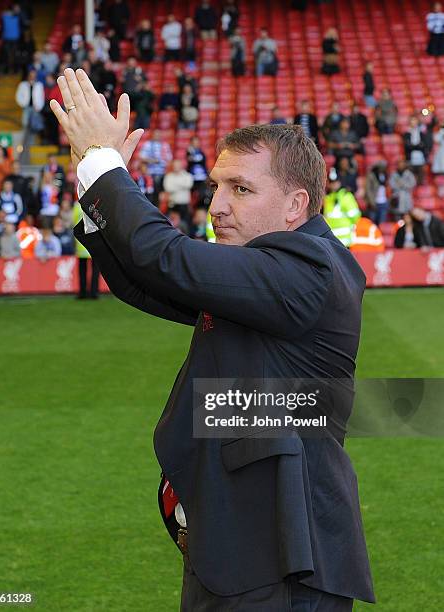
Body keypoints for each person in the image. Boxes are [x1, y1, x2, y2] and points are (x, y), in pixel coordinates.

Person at [50, 68, 375, 611]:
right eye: (216, 187)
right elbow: (148, 281)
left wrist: (102, 165)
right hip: (244, 547)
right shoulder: (271, 274)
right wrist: (94, 183)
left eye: (241, 189)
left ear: (296, 206)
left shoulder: (311, 268)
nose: (217, 206)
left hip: (280, 558)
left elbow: (167, 257)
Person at [323, 169, 362, 246]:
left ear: (340, 182)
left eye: (336, 182)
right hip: (332, 241)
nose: (334, 185)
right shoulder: (327, 199)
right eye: (332, 182)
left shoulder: (346, 196)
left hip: (347, 241)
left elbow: (356, 217)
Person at [72, 200, 99, 298]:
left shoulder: (76, 205)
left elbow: (73, 221)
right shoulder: (95, 202)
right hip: (94, 240)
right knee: (95, 269)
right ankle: (94, 292)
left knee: (82, 270)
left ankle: (82, 292)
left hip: (81, 242)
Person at [139, 129, 173, 198]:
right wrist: (153, 161)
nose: (157, 136)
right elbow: (142, 157)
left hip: (163, 172)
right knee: (154, 184)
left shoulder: (165, 145)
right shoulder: (148, 144)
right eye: (155, 135)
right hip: (150, 172)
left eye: (158, 135)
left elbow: (169, 159)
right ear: (152, 135)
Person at [403, 115, 428, 185]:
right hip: (410, 159)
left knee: (420, 179)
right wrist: (417, 146)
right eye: (412, 120)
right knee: (410, 180)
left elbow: (423, 146)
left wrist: (413, 146)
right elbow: (407, 147)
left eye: (415, 120)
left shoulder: (421, 133)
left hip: (420, 158)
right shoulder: (407, 133)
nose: (413, 122)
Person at [365, 161, 389, 226]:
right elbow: (368, 190)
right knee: (372, 224)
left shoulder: (385, 175)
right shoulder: (371, 176)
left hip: (383, 202)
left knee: (382, 223)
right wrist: (371, 202)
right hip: (374, 202)